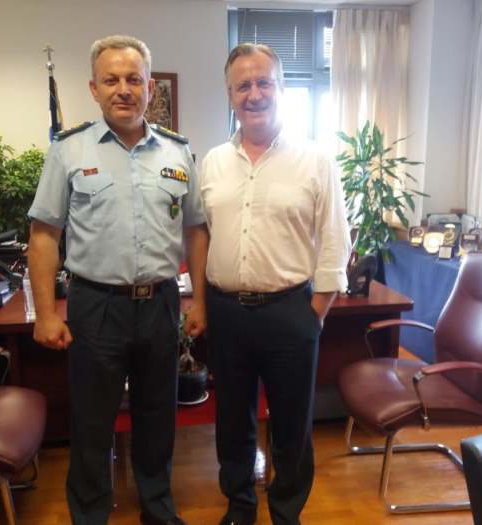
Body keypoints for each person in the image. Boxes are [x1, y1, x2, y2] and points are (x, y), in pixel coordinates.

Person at [27, 35, 208, 525]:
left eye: (134, 79)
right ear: (94, 88)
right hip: (95, 304)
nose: (123, 89)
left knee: (158, 416)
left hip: (161, 303)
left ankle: (158, 509)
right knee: (92, 420)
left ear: (150, 88)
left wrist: (200, 301)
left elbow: (195, 229)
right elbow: (44, 235)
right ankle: (89, 514)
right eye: (111, 80)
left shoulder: (177, 152)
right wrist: (45, 313)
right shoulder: (68, 151)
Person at [200, 43, 351, 525]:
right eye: (242, 85)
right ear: (230, 95)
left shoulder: (315, 159)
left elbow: (335, 239)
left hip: (291, 312)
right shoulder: (212, 162)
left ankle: (287, 512)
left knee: (291, 425)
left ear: (281, 88)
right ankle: (240, 506)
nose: (254, 94)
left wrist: (316, 312)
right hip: (227, 312)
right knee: (232, 422)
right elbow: (203, 235)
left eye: (264, 82)